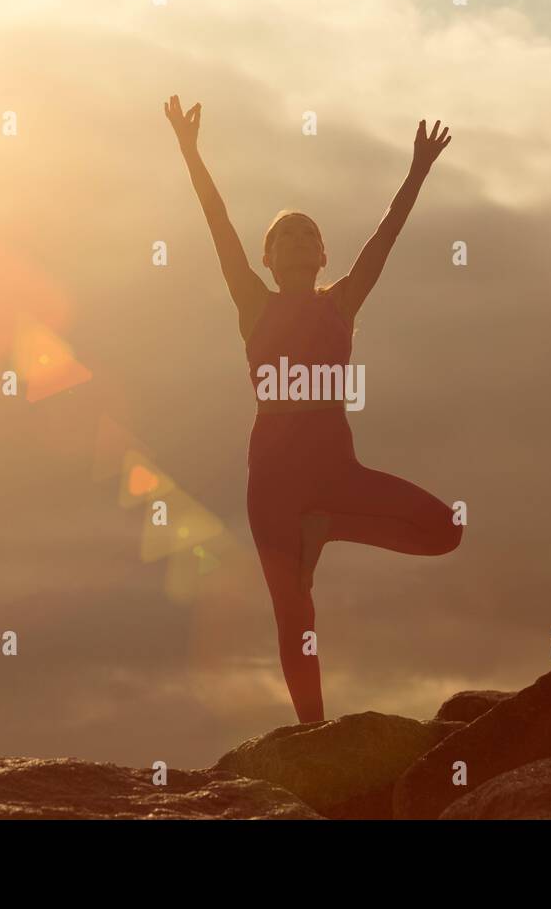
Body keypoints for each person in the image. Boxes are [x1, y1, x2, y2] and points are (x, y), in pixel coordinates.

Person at [164, 95, 462, 722]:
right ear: (267, 258)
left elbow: (385, 238)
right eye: (284, 236)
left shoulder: (340, 304)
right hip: (273, 480)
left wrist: (418, 170)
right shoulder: (254, 304)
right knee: (294, 613)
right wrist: (190, 152)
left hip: (335, 472)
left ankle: (330, 526)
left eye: (309, 235)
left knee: (446, 529)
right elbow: (218, 222)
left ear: (324, 255)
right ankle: (315, 735)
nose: (298, 241)